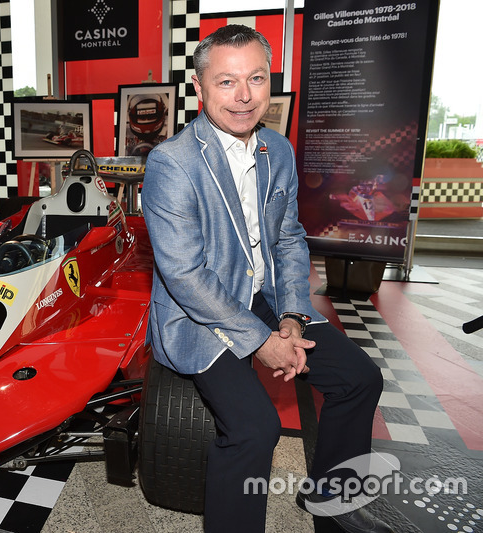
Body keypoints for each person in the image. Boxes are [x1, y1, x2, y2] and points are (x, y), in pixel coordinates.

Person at [141, 25, 392, 533]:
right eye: (226, 81)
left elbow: (289, 238)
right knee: (256, 428)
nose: (243, 96)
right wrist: (262, 343)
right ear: (199, 86)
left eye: (256, 79)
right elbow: (185, 276)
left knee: (360, 379)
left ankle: (332, 501)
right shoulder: (172, 163)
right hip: (200, 314)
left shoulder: (277, 150)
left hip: (267, 295)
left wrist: (294, 316)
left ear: (269, 82)